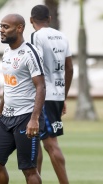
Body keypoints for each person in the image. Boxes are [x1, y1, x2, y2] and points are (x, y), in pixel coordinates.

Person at [0, 14, 46, 184]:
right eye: (1, 26)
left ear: (19, 28)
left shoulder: (30, 53)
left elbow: (41, 86)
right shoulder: (6, 52)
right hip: (6, 118)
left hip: (26, 117)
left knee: (29, 169)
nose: (1, 30)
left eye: (5, 27)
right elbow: (8, 85)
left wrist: (34, 119)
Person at [29, 5, 74, 184]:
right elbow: (69, 68)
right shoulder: (62, 36)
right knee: (36, 142)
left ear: (31, 20)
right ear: (49, 18)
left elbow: (34, 66)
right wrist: (63, 96)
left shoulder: (35, 36)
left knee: (50, 143)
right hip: (56, 95)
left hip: (43, 96)